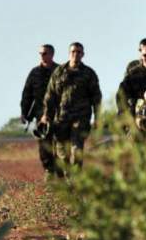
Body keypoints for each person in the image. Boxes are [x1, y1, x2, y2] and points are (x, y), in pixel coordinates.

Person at [40, 42, 101, 177]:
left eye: (79, 52)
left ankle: (75, 183)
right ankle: (65, 183)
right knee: (62, 155)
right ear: (69, 53)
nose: (76, 54)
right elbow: (50, 96)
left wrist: (97, 118)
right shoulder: (59, 72)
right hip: (61, 120)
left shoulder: (88, 74)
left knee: (76, 151)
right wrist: (46, 116)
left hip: (80, 119)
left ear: (83, 55)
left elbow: (96, 98)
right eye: (73, 51)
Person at [20, 44, 58, 176]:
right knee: (44, 148)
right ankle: (49, 172)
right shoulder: (34, 72)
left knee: (59, 146)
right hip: (39, 116)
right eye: (41, 53)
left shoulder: (59, 71)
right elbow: (27, 94)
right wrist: (24, 112)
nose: (42, 56)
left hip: (59, 115)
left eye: (45, 53)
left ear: (52, 55)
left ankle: (60, 174)